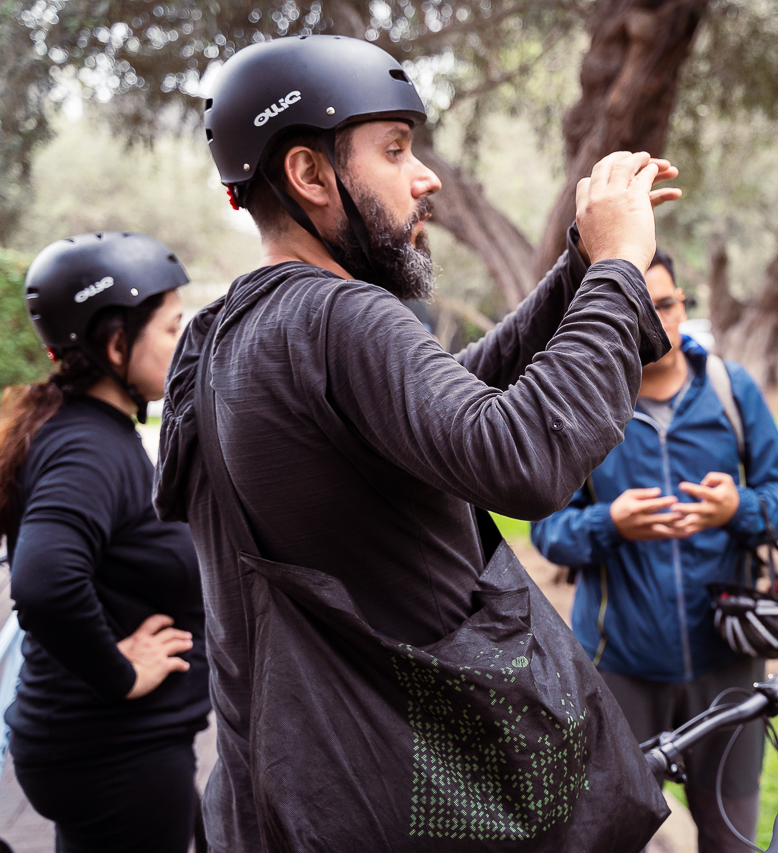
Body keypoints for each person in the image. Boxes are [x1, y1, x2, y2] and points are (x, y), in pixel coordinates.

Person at [153, 35, 680, 852]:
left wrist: (575, 268)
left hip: (292, 802)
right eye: (395, 149)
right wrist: (618, 267)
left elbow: (438, 412)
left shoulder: (223, 334)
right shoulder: (341, 315)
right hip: (406, 798)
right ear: (309, 174)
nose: (425, 175)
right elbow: (522, 454)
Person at [530, 250, 778, 852]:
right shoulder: (587, 405)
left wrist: (740, 511)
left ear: (684, 305)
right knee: (614, 837)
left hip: (726, 665)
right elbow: (548, 532)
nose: (655, 321)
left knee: (731, 840)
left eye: (666, 304)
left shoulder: (733, 392)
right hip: (619, 669)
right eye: (636, 309)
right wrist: (611, 524)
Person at [0, 232, 208, 852]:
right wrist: (120, 673)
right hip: (115, 751)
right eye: (173, 330)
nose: (185, 344)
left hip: (103, 749)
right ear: (117, 343)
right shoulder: (88, 447)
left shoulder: (82, 428)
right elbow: (44, 582)